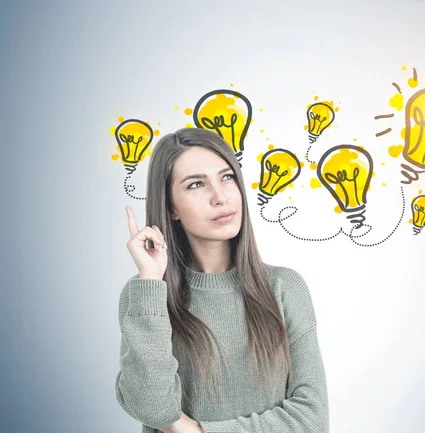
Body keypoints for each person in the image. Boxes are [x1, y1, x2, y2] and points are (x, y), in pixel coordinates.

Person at [115, 128, 329, 433]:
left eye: (227, 177)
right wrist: (151, 281)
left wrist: (201, 431)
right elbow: (154, 409)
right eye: (197, 184)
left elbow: (313, 421)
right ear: (171, 207)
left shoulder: (284, 287)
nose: (221, 197)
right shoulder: (146, 295)